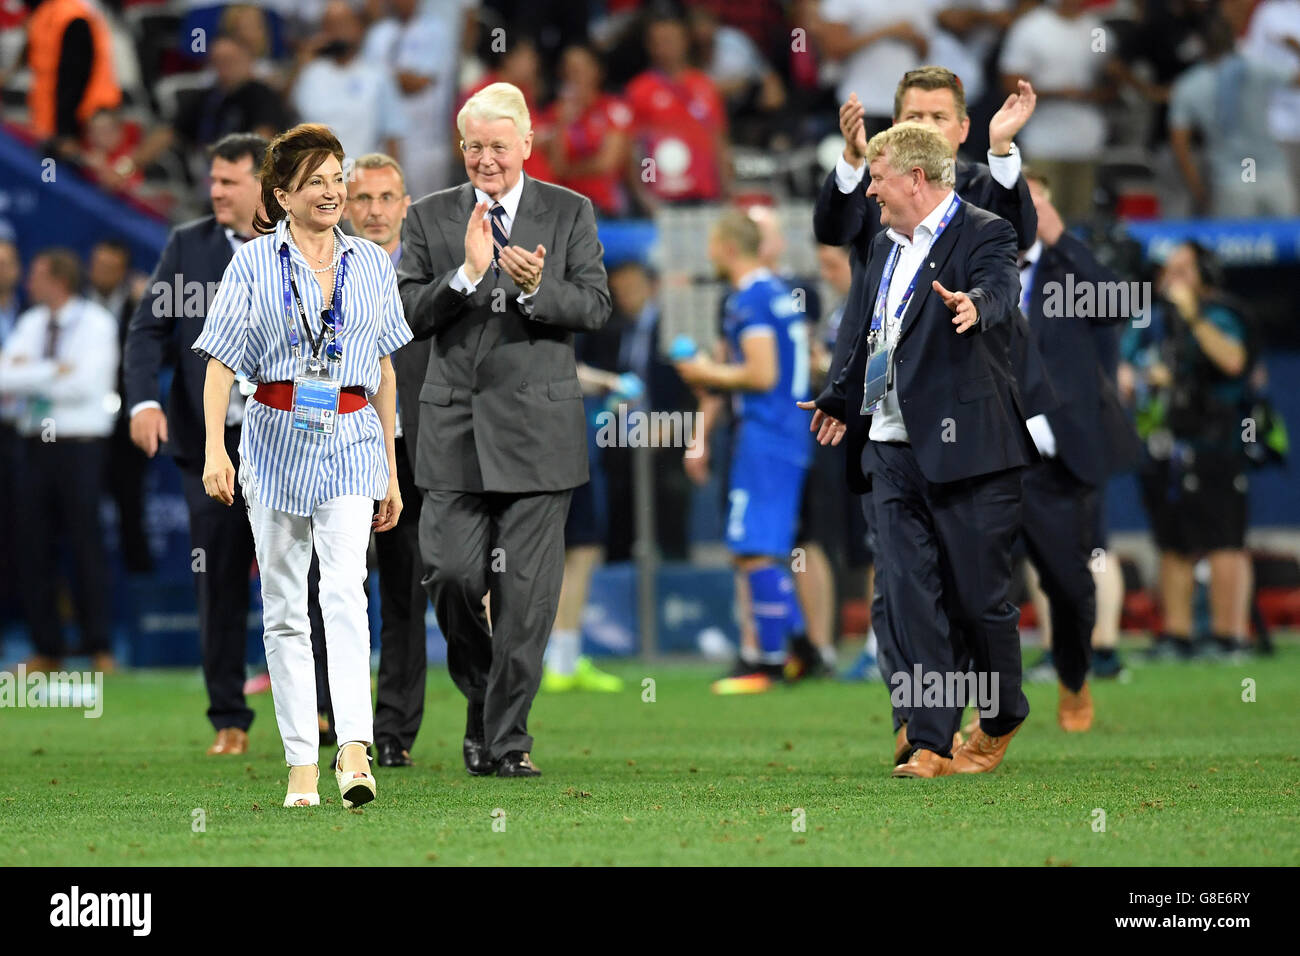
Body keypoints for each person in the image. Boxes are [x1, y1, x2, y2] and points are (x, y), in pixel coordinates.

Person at [801, 122, 1034, 778]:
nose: (871, 190)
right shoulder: (881, 245)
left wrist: (975, 305)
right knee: (907, 595)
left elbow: (1001, 288)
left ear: (916, 180)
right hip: (891, 448)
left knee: (978, 604)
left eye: (878, 178)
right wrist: (839, 400)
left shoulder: (986, 231)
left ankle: (1001, 713)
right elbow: (866, 334)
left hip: (970, 453)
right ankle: (930, 740)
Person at [192, 123, 411, 810]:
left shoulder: (372, 264)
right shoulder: (253, 266)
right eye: (316, 180)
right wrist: (213, 449)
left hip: (350, 436)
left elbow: (382, 370)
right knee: (286, 608)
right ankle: (299, 764)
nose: (333, 191)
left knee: (344, 592)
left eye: (337, 177)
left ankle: (352, 746)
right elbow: (222, 365)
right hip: (275, 436)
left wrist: (392, 468)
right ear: (282, 194)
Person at [397, 81, 611, 778]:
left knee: (525, 603)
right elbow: (406, 313)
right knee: (452, 575)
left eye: (499, 146)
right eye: (474, 147)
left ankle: (507, 740)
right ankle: (490, 698)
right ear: (461, 149)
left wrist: (532, 289)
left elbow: (595, 307)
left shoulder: (569, 211)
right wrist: (466, 275)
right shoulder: (429, 218)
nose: (486, 159)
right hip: (452, 432)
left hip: (539, 437)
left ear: (526, 144)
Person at [126, 133, 335, 756]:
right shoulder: (188, 246)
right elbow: (146, 333)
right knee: (216, 578)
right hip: (211, 443)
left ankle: (324, 709)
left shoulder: (307, 242)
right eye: (211, 181)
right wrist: (143, 400)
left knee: (316, 573)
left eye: (227, 181)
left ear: (264, 186)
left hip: (296, 439)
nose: (214, 192)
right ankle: (228, 718)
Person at [1009, 168, 1136, 732]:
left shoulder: (1068, 268)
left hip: (1063, 451)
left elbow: (1121, 303)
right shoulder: (982, 264)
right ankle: (973, 712)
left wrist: (1063, 239)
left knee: (1072, 573)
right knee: (976, 579)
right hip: (993, 447)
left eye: (1034, 203)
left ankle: (1079, 670)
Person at [675, 209, 813, 695]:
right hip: (783, 433)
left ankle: (767, 663)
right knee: (759, 548)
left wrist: (705, 373)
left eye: (713, 244)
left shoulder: (751, 298)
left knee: (755, 550)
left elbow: (761, 375)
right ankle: (797, 650)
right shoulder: (775, 294)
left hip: (768, 433)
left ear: (730, 248)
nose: (709, 254)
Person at [1120, 242, 1255, 660]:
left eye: (1184, 269)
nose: (1172, 278)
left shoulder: (1222, 315)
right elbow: (1123, 370)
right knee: (1172, 542)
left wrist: (1193, 317)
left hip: (1216, 442)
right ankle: (1177, 637)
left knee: (1223, 541)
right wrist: (1145, 376)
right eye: (1168, 271)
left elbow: (1232, 361)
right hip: (1164, 444)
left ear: (1205, 275)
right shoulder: (1151, 320)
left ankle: (1227, 639)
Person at [345, 151, 427, 768]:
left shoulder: (435, 271)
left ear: (405, 204)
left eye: (386, 199)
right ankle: (335, 718)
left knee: (405, 589)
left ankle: (392, 729)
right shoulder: (328, 269)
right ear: (345, 204)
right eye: (363, 199)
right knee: (333, 588)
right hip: (341, 443)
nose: (375, 211)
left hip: (416, 448)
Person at [0, 248, 118, 674]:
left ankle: (99, 648)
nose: (28, 282)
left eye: (36, 274)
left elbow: (86, 385)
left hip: (81, 447)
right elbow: (2, 377)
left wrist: (31, 374)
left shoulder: (96, 323)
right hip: (34, 448)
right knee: (33, 547)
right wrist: (54, 371)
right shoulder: (32, 323)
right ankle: (46, 649)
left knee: (86, 547)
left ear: (58, 281)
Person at [86, 239, 152, 575]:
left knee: (131, 507)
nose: (102, 273)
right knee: (79, 512)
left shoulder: (139, 305)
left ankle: (141, 602)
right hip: (82, 423)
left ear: (123, 271)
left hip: (127, 423)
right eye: (97, 266)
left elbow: (163, 352)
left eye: (110, 268)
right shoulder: (76, 303)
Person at [291, 1, 407, 165]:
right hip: (315, 175)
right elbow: (289, 116)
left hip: (362, 175)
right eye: (331, 26)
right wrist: (302, 61)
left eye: (343, 24)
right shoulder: (310, 72)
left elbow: (393, 135)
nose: (338, 32)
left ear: (359, 27)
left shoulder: (377, 75)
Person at [24, 0, 121, 145]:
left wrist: (65, 131)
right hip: (50, 117)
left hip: (84, 121)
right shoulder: (48, 11)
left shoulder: (72, 15)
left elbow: (74, 76)